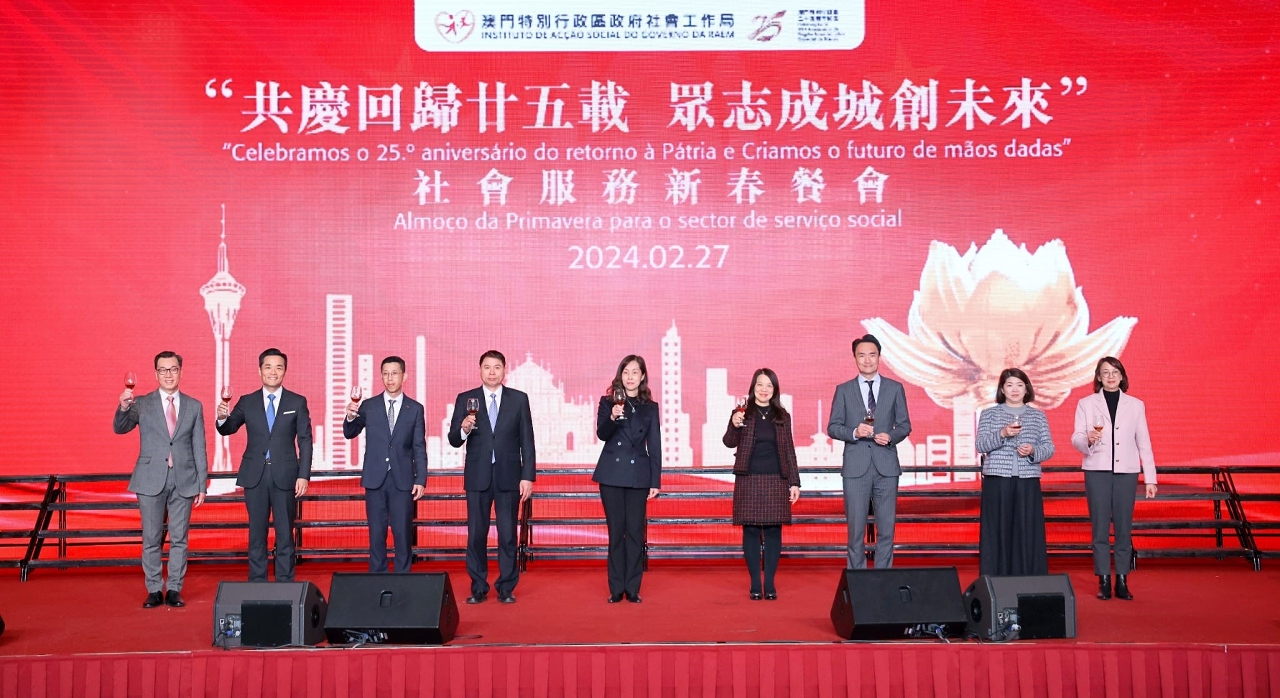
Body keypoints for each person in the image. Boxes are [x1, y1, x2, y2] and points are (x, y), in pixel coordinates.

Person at [113, 351, 208, 608]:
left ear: (181, 372)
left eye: (173, 369)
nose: (168, 374)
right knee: (151, 538)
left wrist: (202, 484)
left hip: (184, 479)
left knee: (179, 538)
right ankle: (154, 589)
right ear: (156, 374)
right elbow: (120, 428)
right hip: (150, 478)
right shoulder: (142, 403)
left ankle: (174, 588)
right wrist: (124, 407)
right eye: (163, 370)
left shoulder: (194, 406)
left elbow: (199, 447)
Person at [216, 348, 312, 582]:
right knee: (257, 533)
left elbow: (305, 440)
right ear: (260, 371)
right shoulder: (247, 401)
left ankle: (285, 583)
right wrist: (221, 417)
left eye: (279, 367)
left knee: (285, 533)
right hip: (255, 476)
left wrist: (304, 475)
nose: (273, 372)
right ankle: (257, 582)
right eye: (268, 367)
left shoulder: (297, 401)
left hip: (286, 476)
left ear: (285, 371)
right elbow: (228, 428)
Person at [447, 350, 536, 604]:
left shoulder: (518, 399)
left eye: (497, 367)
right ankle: (478, 586)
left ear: (505, 370)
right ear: (480, 370)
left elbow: (527, 440)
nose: (492, 372)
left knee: (507, 535)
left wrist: (527, 476)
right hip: (478, 476)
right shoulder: (466, 399)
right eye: (487, 367)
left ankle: (506, 586)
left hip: (509, 476)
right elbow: (453, 439)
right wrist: (464, 429)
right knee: (477, 534)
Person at [1072, 356, 1157, 600]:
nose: (1110, 376)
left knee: (1123, 527)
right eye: (1105, 372)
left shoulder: (1136, 405)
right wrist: (1087, 439)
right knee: (1099, 528)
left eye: (1115, 372)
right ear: (1098, 377)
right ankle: (1103, 579)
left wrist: (1150, 478)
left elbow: (1144, 443)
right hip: (1096, 470)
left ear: (1122, 376)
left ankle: (1121, 579)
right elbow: (1076, 438)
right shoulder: (1086, 404)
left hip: (1126, 472)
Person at [827, 334, 912, 569]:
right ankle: (858, 579)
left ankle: (882, 579)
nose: (867, 360)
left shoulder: (895, 388)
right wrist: (854, 432)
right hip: (856, 467)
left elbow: (904, 425)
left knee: (887, 529)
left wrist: (891, 436)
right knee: (855, 530)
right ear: (855, 358)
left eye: (872, 355)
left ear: (879, 357)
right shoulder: (844, 390)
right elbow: (833, 427)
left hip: (886, 466)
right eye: (861, 355)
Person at [344, 356, 427, 573]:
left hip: (403, 480)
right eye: (386, 374)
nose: (390, 378)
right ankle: (377, 580)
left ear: (404, 376)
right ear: (381, 376)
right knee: (376, 534)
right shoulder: (368, 406)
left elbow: (419, 446)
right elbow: (350, 432)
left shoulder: (415, 408)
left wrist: (420, 479)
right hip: (375, 479)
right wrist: (350, 416)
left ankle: (402, 580)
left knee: (402, 534)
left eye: (394, 373)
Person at [724, 368, 801, 600]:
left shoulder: (782, 416)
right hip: (748, 478)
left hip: (776, 479)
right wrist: (734, 424)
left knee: (774, 531)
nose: (764, 389)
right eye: (760, 384)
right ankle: (755, 583)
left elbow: (789, 449)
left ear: (775, 389)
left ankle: (770, 583)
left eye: (769, 385)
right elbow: (729, 442)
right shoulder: (742, 413)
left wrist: (794, 482)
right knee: (750, 530)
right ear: (753, 387)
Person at [593, 355, 661, 603]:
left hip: (638, 476)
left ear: (642, 377)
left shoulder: (650, 407)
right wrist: (612, 417)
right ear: (620, 376)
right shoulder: (607, 402)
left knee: (634, 533)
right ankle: (615, 588)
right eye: (626, 372)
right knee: (616, 532)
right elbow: (602, 434)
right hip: (611, 474)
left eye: (635, 372)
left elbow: (655, 445)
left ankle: (632, 587)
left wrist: (655, 480)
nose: (630, 377)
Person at [975, 368, 1054, 577]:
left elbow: (1049, 447)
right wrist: (1002, 433)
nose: (1015, 389)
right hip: (997, 480)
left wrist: (1033, 450)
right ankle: (996, 579)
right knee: (997, 531)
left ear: (1027, 389)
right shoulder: (989, 414)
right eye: (1009, 385)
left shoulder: (1037, 416)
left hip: (1028, 480)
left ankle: (1028, 579)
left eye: (1019, 385)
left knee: (1027, 530)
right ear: (1002, 389)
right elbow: (980, 445)